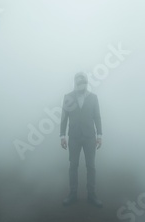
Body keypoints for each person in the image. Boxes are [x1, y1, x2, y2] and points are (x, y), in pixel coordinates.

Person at [60, 72, 103, 208]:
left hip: (90, 136)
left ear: (86, 83)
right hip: (74, 137)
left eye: (84, 82)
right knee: (73, 166)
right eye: (79, 83)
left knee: (91, 166)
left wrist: (99, 135)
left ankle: (92, 195)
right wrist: (62, 136)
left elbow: (97, 117)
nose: (81, 85)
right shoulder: (68, 97)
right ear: (75, 83)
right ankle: (72, 194)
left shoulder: (93, 98)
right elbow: (64, 117)